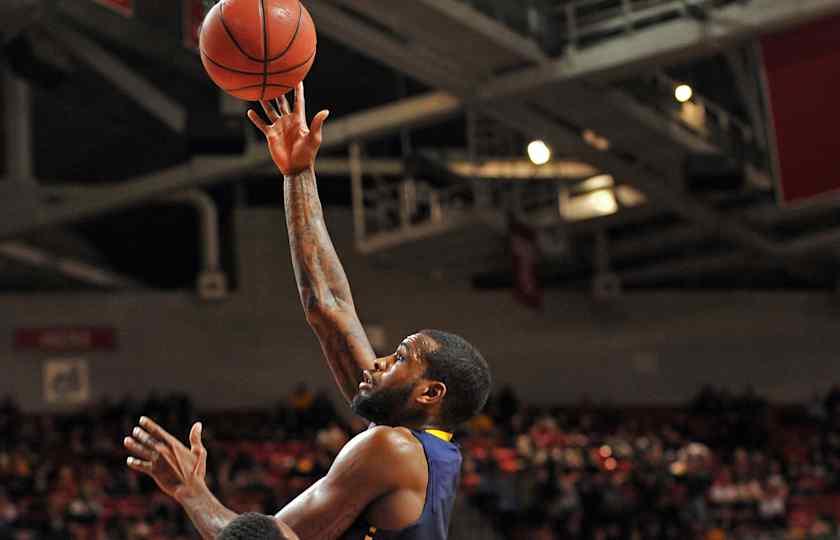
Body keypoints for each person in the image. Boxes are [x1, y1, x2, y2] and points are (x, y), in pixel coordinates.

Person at [124, 82, 492, 540]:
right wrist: (298, 173)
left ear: (430, 393)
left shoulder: (391, 447)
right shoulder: (425, 445)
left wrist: (191, 490)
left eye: (400, 357)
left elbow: (269, 539)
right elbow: (329, 306)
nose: (379, 360)